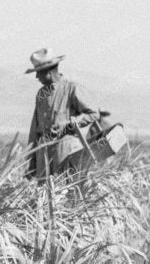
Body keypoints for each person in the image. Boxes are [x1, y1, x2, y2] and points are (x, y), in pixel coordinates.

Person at [26, 49, 100, 180]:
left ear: (48, 73)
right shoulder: (41, 95)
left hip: (66, 149)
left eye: (38, 73)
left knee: (66, 188)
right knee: (44, 191)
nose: (37, 77)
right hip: (44, 150)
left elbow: (93, 113)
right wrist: (32, 162)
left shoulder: (72, 88)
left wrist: (71, 123)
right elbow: (34, 130)